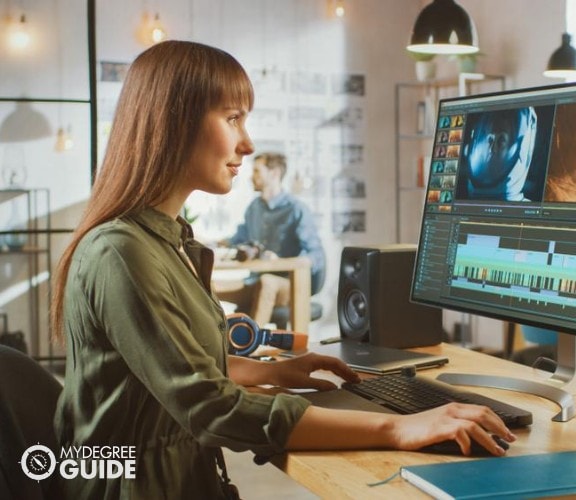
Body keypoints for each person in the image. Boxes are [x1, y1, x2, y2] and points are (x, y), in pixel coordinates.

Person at [50, 40, 514, 499]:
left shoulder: (166, 239)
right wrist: (398, 426)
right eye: (233, 119)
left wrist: (270, 371)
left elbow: (173, 369)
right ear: (173, 123)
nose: (247, 144)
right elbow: (210, 408)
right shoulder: (122, 252)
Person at [219, 152, 325, 327]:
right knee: (209, 286)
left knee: (267, 281)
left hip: (288, 285)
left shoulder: (296, 209)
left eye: (257, 171)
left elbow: (316, 256)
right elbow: (238, 239)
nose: (251, 177)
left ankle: (252, 347)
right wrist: (209, 241)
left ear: (274, 173)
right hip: (256, 282)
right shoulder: (254, 208)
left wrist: (282, 261)